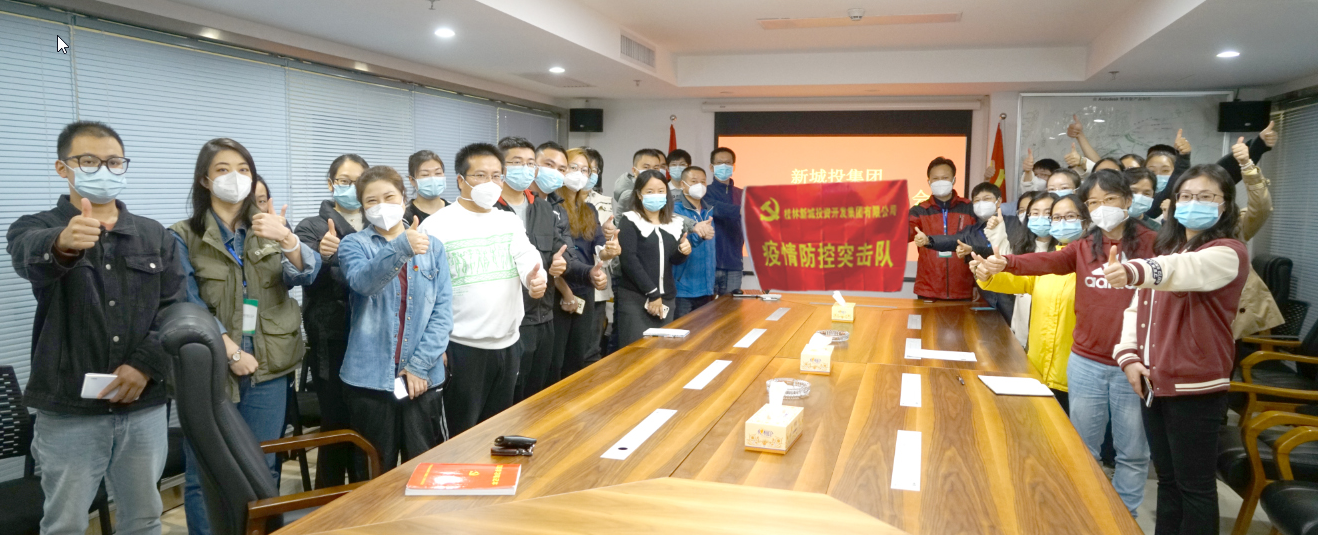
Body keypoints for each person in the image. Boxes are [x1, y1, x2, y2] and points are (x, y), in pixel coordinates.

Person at [8, 121, 184, 535]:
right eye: (88, 161)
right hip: (69, 408)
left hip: (142, 404)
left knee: (143, 518)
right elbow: (26, 255)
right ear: (62, 167)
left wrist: (144, 365)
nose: (103, 170)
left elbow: (175, 308)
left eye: (114, 162)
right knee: (64, 524)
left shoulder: (154, 235)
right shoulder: (36, 226)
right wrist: (62, 242)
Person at [973, 169, 1156, 517]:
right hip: (1086, 361)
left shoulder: (1155, 244)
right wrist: (1007, 261)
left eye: (1110, 200)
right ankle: (1086, 511)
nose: (1102, 208)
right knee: (1083, 448)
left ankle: (1124, 518)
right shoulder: (1085, 246)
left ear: (1128, 201)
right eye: (1094, 202)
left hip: (1133, 364)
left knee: (1132, 453)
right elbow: (1048, 261)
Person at [172, 138, 321, 535]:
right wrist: (231, 351)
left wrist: (287, 238)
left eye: (243, 169)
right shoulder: (182, 235)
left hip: (268, 365)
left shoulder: (268, 227)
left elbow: (307, 274)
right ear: (205, 179)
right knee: (203, 472)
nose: (234, 177)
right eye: (222, 169)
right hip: (209, 368)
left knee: (262, 465)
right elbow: (185, 301)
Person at [1107, 164, 1249, 535]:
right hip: (1154, 383)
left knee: (1195, 488)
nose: (1193, 203)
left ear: (1225, 205)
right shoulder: (1171, 248)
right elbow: (1136, 309)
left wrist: (1134, 271)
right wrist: (1128, 358)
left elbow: (1183, 269)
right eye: (1186, 196)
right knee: (1167, 482)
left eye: (1205, 196)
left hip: (1195, 387)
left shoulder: (1228, 252)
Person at [418, 143, 545, 437]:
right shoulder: (435, 226)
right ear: (461, 180)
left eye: (496, 176)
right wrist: (435, 346)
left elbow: (527, 258)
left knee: (498, 432)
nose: (490, 183)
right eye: (480, 175)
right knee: (461, 435)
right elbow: (424, 292)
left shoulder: (508, 220)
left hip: (508, 344)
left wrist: (535, 281)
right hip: (461, 347)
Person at [338, 166, 452, 471]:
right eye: (371, 201)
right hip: (369, 379)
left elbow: (442, 312)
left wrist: (419, 366)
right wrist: (401, 247)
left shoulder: (433, 246)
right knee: (373, 471)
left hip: (422, 378)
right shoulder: (354, 244)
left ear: (403, 198)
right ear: (363, 207)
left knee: (424, 468)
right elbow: (363, 282)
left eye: (389, 197)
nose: (381, 206)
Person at [292, 153, 369, 487]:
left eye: (358, 181)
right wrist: (323, 257)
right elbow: (304, 277)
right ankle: (330, 497)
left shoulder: (377, 222)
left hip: (373, 337)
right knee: (336, 422)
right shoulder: (311, 226)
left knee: (367, 423)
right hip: (332, 337)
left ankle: (367, 493)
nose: (351, 187)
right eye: (343, 181)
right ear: (330, 184)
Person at [976, 193, 1077, 412]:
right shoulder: (1049, 261)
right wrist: (988, 274)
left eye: (1069, 217)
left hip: (1073, 375)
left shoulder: (1092, 265)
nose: (1061, 223)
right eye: (1056, 218)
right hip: (1038, 365)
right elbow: (1020, 281)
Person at [494, 137, 577, 400]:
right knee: (509, 396)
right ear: (501, 168)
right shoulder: (490, 210)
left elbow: (559, 250)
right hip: (509, 320)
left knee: (538, 394)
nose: (525, 168)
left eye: (530, 163)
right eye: (517, 162)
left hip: (544, 316)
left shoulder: (542, 207)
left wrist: (561, 263)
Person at [554, 148, 616, 378]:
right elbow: (553, 255)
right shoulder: (552, 208)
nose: (580, 174)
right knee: (556, 361)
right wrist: (566, 292)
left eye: (585, 170)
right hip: (559, 290)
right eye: (574, 167)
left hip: (585, 288)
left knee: (578, 358)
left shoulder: (589, 209)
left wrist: (609, 251)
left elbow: (598, 246)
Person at [916, 181, 1019, 319]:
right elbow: (952, 240)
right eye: (977, 200)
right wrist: (928, 240)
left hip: (1013, 292)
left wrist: (973, 249)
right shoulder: (971, 231)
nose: (981, 203)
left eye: (987, 199)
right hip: (988, 295)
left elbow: (1007, 254)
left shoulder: (1014, 223)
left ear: (998, 201)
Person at [616, 170, 691, 347]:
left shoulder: (674, 222)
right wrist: (653, 293)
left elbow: (673, 260)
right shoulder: (630, 220)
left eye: (660, 191)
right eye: (649, 191)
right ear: (639, 194)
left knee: (663, 353)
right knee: (635, 352)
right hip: (636, 299)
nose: (656, 195)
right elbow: (629, 260)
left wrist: (683, 251)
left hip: (667, 299)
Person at [907, 156, 977, 301]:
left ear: (954, 180)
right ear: (929, 182)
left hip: (963, 288)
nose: (940, 182)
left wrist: (978, 285)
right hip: (928, 289)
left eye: (945, 178)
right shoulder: (920, 210)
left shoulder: (969, 208)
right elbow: (903, 233)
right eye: (936, 179)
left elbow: (981, 242)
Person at [672, 166, 717, 318]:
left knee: (705, 331)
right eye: (694, 181)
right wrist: (700, 235)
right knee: (681, 330)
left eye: (703, 182)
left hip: (707, 287)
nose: (699, 185)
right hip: (683, 289)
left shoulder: (709, 210)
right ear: (683, 184)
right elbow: (679, 244)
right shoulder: (674, 210)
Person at [705, 147, 745, 296]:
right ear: (711, 167)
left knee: (731, 307)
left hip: (733, 263)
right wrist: (740, 210)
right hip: (708, 263)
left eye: (728, 163)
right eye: (719, 163)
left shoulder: (742, 194)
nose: (724, 166)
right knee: (705, 308)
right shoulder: (704, 191)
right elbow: (714, 208)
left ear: (733, 166)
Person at [611, 148, 665, 212]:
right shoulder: (628, 196)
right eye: (646, 167)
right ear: (634, 170)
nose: (651, 172)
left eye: (655, 168)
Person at [404, 150, 447, 223]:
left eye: (438, 173)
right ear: (412, 180)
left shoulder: (455, 210)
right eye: (425, 175)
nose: (433, 179)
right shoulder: (404, 216)